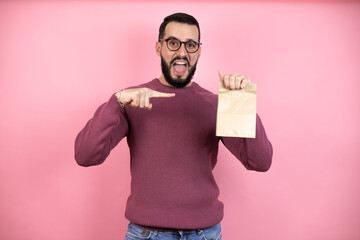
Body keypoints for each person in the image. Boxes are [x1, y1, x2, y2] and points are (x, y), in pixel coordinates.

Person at [75, 12, 272, 240]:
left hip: (205, 235)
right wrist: (115, 101)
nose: (182, 52)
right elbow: (85, 155)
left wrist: (242, 102)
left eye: (190, 45)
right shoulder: (132, 99)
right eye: (173, 43)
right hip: (146, 234)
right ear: (159, 47)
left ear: (199, 51)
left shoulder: (216, 104)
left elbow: (260, 161)